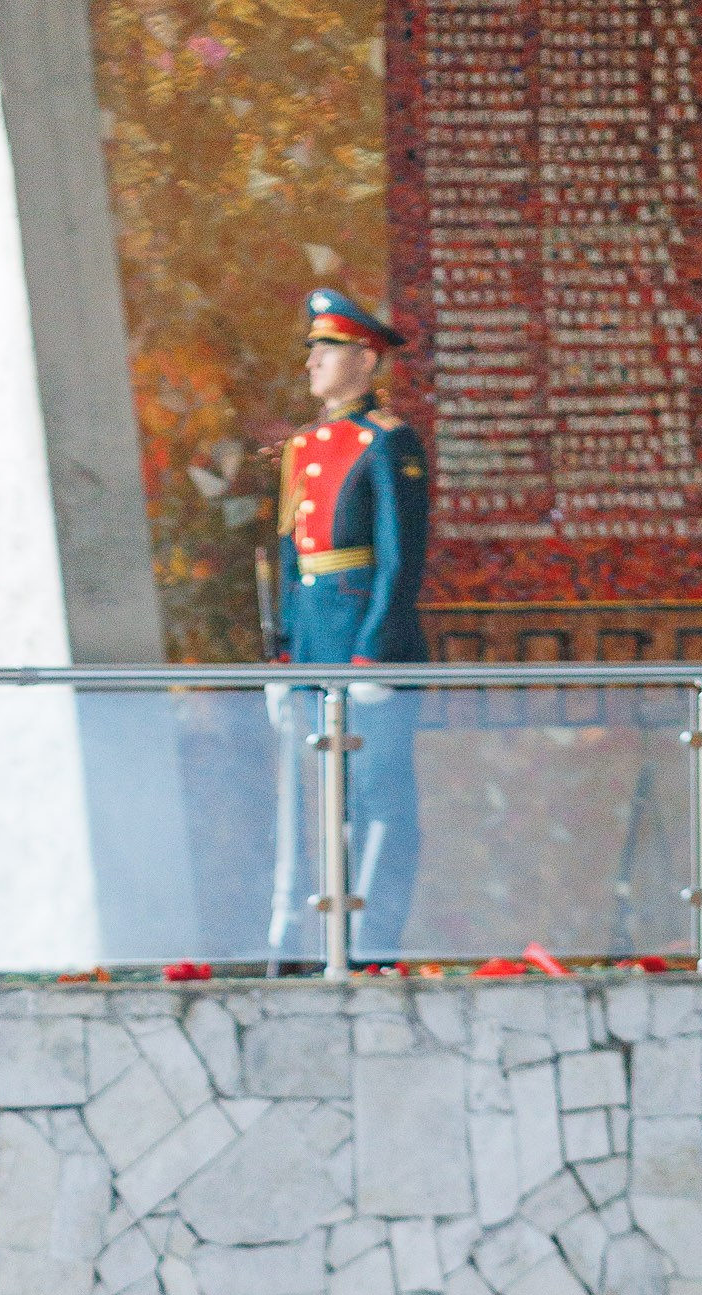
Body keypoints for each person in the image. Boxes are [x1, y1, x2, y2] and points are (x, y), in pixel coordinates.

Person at [270, 285, 430, 965]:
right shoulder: (303, 447)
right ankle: (305, 938)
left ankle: (372, 942)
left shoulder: (387, 442)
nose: (311, 362)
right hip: (312, 645)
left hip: (366, 646)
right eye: (311, 349)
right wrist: (283, 653)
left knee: (378, 803)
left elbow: (400, 555)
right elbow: (289, 556)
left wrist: (373, 653)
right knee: (313, 803)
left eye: (326, 349)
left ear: (364, 359)